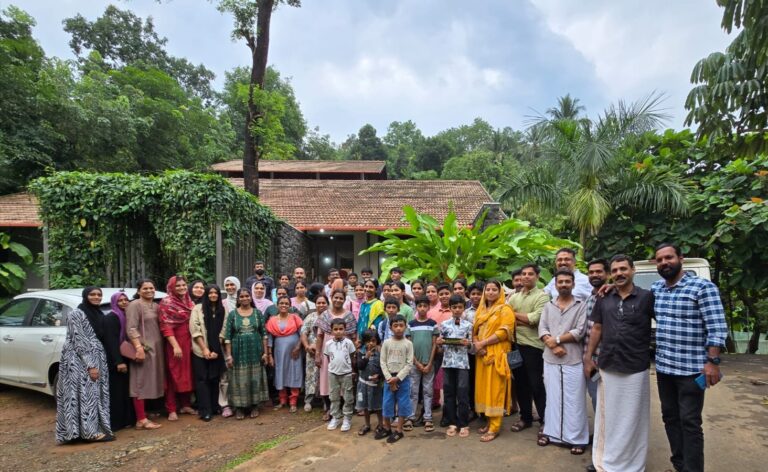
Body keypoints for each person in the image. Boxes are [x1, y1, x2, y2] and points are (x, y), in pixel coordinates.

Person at [652, 243, 727, 472]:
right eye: (660, 260)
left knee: (690, 422)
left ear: (681, 258)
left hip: (692, 370)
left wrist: (712, 362)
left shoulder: (702, 288)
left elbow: (716, 327)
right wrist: (604, 289)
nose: (664, 263)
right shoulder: (657, 289)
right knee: (670, 418)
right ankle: (680, 465)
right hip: (664, 368)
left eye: (669, 258)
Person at [584, 255, 654, 472]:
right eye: (615, 270)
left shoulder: (647, 297)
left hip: (636, 366)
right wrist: (588, 358)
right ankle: (605, 461)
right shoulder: (604, 297)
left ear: (633, 270)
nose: (619, 273)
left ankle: (631, 465)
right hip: (608, 364)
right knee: (608, 416)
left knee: (634, 417)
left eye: (623, 269)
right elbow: (596, 328)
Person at [538, 269, 589, 454]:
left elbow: (580, 331)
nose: (564, 285)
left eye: (568, 281)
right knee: (552, 397)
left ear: (573, 284)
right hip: (550, 358)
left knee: (574, 399)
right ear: (556, 285)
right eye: (560, 282)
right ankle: (552, 434)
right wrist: (551, 345)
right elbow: (542, 327)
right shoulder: (549, 305)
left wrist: (557, 340)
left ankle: (577, 438)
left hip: (573, 359)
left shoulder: (581, 305)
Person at [56, 287, 113, 443]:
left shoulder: (98, 313)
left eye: (99, 295)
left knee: (88, 395)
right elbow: (79, 340)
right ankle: (89, 433)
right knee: (84, 396)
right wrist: (91, 365)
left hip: (93, 358)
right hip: (79, 360)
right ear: (85, 296)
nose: (96, 297)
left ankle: (83, 432)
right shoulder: (76, 314)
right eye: (92, 294)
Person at [507, 264, 550, 434]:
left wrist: (514, 316)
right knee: (520, 383)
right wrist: (520, 319)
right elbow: (505, 318)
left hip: (533, 347)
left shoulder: (542, 297)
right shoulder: (514, 297)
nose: (526, 277)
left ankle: (545, 420)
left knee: (536, 384)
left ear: (537, 277)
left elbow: (535, 319)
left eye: (530, 274)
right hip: (514, 347)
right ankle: (526, 417)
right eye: (523, 274)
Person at [473, 280, 515, 442]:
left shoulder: (505, 309)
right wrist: (478, 344)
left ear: (500, 292)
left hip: (497, 354)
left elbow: (504, 332)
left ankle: (495, 427)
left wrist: (482, 343)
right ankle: (489, 421)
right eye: (487, 289)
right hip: (482, 355)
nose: (490, 292)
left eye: (494, 290)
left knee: (495, 389)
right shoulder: (481, 309)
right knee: (484, 388)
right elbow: (474, 329)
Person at [223, 288, 270, 420]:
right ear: (238, 299)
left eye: (246, 296)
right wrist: (229, 355)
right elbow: (227, 336)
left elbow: (264, 335)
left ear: (251, 297)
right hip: (238, 353)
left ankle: (255, 406)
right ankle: (239, 408)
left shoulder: (257, 313)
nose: (244, 298)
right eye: (241, 296)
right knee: (239, 379)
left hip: (255, 352)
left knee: (255, 377)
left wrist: (265, 353)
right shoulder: (233, 314)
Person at [127, 279, 164, 430]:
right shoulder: (135, 305)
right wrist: (138, 347)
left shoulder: (156, 305)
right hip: (143, 348)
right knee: (139, 383)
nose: (149, 291)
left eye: (151, 288)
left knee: (150, 381)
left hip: (156, 349)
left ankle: (145, 413)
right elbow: (131, 328)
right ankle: (141, 419)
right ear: (138, 290)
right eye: (145, 288)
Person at [158, 275, 197, 421]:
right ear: (172, 288)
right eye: (178, 286)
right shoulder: (166, 303)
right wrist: (175, 346)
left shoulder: (189, 301)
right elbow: (166, 327)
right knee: (173, 375)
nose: (181, 288)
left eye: (183, 285)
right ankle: (171, 408)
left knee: (188, 373)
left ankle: (185, 404)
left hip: (190, 342)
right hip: (175, 343)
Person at [315, 290, 357, 421]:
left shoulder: (349, 316)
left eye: (341, 298)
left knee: (345, 382)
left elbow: (353, 336)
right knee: (327, 381)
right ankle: (329, 409)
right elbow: (320, 336)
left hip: (344, 353)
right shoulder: (324, 315)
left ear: (344, 300)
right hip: (328, 352)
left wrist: (353, 356)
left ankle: (345, 410)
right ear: (331, 298)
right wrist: (317, 354)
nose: (338, 300)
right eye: (335, 297)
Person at [437, 295, 473, 438]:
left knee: (463, 393)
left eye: (460, 307)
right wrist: (439, 343)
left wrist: (468, 344)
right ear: (450, 308)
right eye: (454, 307)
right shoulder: (444, 325)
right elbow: (441, 347)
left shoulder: (469, 325)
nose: (457, 310)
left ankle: (464, 423)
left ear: (464, 308)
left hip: (463, 363)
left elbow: (471, 347)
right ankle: (452, 422)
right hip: (448, 363)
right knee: (449, 393)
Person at [190, 284, 227, 422]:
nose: (213, 295)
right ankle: (204, 410)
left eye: (215, 293)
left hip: (217, 350)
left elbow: (224, 329)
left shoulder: (222, 309)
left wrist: (216, 350)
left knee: (214, 378)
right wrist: (205, 349)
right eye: (210, 293)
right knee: (202, 380)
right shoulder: (198, 309)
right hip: (200, 351)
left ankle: (214, 406)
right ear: (206, 294)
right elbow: (195, 329)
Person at [377, 314, 413, 443]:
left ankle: (399, 430)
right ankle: (387, 428)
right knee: (387, 403)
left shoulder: (408, 344)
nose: (398, 328)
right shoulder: (386, 343)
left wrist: (397, 378)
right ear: (391, 328)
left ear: (405, 326)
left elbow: (409, 363)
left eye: (401, 325)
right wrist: (389, 378)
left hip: (402, 379)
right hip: (388, 378)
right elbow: (382, 362)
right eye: (395, 326)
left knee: (402, 404)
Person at [103, 291, 135, 431]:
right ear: (115, 303)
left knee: (127, 390)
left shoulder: (127, 316)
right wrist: (118, 361)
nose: (123, 302)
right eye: (120, 300)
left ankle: (128, 419)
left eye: (126, 300)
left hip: (128, 357)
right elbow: (111, 341)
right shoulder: (112, 317)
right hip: (116, 360)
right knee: (117, 391)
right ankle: (116, 422)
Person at [266, 296, 304, 412]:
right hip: (279, 352)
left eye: (286, 303)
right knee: (280, 373)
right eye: (281, 303)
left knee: (294, 373)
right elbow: (270, 339)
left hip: (294, 352)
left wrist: (298, 347)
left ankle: (293, 401)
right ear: (277, 305)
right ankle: (282, 400)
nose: (284, 305)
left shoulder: (295, 318)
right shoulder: (272, 320)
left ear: (290, 305)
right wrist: (269, 355)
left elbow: (302, 334)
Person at [406, 296, 438, 432]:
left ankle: (428, 417)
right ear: (416, 308)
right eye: (420, 306)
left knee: (428, 391)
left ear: (428, 307)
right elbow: (408, 345)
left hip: (429, 363)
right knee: (413, 391)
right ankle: (410, 417)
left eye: (425, 306)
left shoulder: (433, 324)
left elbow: (435, 344)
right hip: (414, 364)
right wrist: (417, 363)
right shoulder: (411, 325)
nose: (422, 308)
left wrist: (430, 363)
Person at [584, 259, 610, 412]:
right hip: (591, 360)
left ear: (607, 274)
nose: (594, 275)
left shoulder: (613, 296)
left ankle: (607, 435)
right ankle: (600, 434)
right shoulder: (589, 298)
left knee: (609, 398)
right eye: (591, 272)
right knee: (596, 396)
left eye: (599, 271)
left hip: (607, 359)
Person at [324, 318, 357, 432]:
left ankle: (347, 418)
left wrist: (353, 371)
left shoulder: (348, 343)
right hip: (333, 373)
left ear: (345, 329)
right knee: (334, 396)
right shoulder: (328, 344)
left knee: (348, 396)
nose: (338, 331)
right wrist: (332, 368)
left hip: (347, 373)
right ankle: (335, 417)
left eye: (341, 329)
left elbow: (352, 357)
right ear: (332, 330)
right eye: (335, 329)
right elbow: (329, 358)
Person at [300, 294, 326, 412]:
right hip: (311, 351)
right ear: (315, 304)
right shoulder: (310, 317)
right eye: (318, 303)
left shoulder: (329, 317)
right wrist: (306, 347)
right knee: (311, 375)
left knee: (325, 376)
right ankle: (308, 400)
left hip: (326, 352)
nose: (321, 305)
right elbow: (304, 333)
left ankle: (325, 401)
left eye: (323, 303)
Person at [356, 329, 384, 436]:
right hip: (363, 385)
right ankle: (367, 425)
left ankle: (381, 424)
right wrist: (366, 357)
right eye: (367, 341)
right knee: (365, 406)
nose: (370, 343)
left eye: (373, 340)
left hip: (375, 385)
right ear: (364, 342)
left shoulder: (380, 353)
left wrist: (379, 376)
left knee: (378, 406)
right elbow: (359, 366)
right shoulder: (360, 353)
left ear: (377, 341)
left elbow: (383, 368)